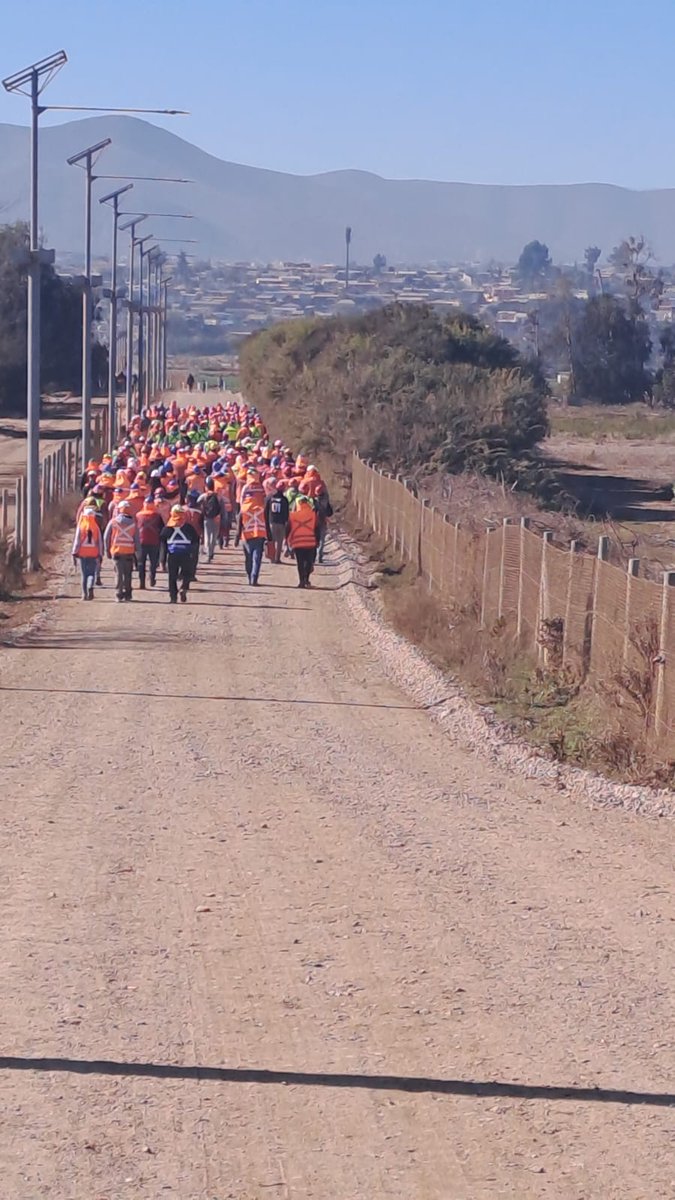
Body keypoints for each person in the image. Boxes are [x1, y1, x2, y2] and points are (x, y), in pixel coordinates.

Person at [160, 504, 201, 603]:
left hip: (172, 555)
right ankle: (184, 588)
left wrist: (162, 560)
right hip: (186, 554)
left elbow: (163, 544)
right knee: (187, 574)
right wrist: (193, 555)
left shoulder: (167, 529)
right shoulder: (188, 527)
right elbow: (195, 541)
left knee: (172, 577)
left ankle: (173, 597)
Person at [104, 499, 140, 602]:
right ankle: (128, 594)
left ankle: (119, 594)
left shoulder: (113, 522)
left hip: (116, 551)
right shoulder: (133, 523)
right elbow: (137, 539)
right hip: (129, 551)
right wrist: (138, 552)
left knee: (118, 574)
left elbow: (106, 537)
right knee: (128, 574)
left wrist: (107, 550)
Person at [71, 497, 104, 600]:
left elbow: (77, 540)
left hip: (82, 553)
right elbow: (99, 542)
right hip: (93, 553)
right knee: (92, 573)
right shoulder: (96, 527)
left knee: (84, 574)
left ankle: (84, 594)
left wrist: (74, 552)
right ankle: (91, 586)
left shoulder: (81, 526)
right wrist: (100, 553)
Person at [234, 487, 267, 586]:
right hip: (260, 535)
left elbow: (239, 525)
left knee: (248, 558)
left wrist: (236, 539)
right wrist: (269, 537)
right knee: (257, 558)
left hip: (247, 537)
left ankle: (249, 576)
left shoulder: (243, 509)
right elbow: (266, 523)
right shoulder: (261, 508)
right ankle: (254, 578)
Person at [286, 493, 319, 588]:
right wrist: (317, 540)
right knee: (308, 562)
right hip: (310, 542)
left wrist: (287, 541)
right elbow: (317, 529)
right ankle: (307, 579)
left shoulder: (293, 516)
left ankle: (301, 581)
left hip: (297, 543)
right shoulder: (313, 515)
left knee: (300, 563)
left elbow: (288, 529)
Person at [136, 494, 164, 589]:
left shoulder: (138, 515)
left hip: (141, 542)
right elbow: (162, 529)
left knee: (141, 563)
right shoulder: (157, 516)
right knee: (153, 562)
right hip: (154, 542)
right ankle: (152, 577)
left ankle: (142, 582)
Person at [265, 480, 290, 564]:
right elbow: (287, 513)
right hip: (281, 523)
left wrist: (266, 521)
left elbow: (265, 510)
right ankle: (277, 558)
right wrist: (286, 522)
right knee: (279, 542)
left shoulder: (269, 497)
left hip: (272, 521)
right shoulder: (284, 499)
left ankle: (272, 558)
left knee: (271, 540)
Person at [198, 478, 222, 562]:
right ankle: (211, 552)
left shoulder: (204, 496)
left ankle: (208, 554)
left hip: (206, 518)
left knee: (207, 536)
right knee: (214, 537)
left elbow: (197, 503)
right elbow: (222, 508)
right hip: (217, 518)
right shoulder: (218, 496)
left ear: (206, 486)